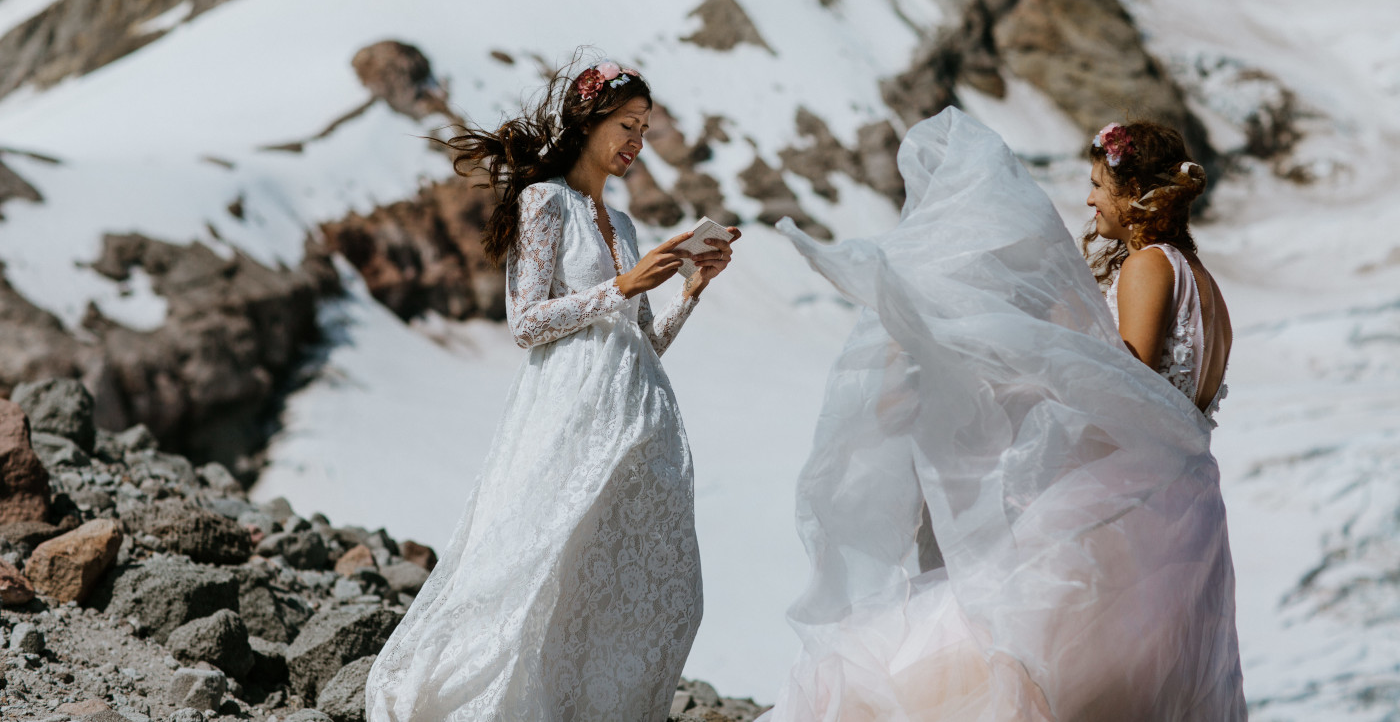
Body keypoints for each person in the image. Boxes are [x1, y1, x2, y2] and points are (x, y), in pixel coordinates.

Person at [764, 109, 1245, 721]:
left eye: (1099, 185)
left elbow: (1128, 390)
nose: (1089, 199)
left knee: (1016, 642)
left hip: (1125, 499)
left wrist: (1039, 343)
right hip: (1186, 506)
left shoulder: (1148, 266)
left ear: (1137, 197)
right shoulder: (1203, 282)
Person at [365, 57, 739, 722]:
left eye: (646, 129)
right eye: (627, 125)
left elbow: (642, 340)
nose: (636, 142)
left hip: (634, 414)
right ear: (590, 123)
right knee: (538, 559)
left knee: (618, 578)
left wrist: (690, 289)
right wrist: (622, 286)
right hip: (566, 411)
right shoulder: (545, 201)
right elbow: (527, 322)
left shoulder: (621, 224)